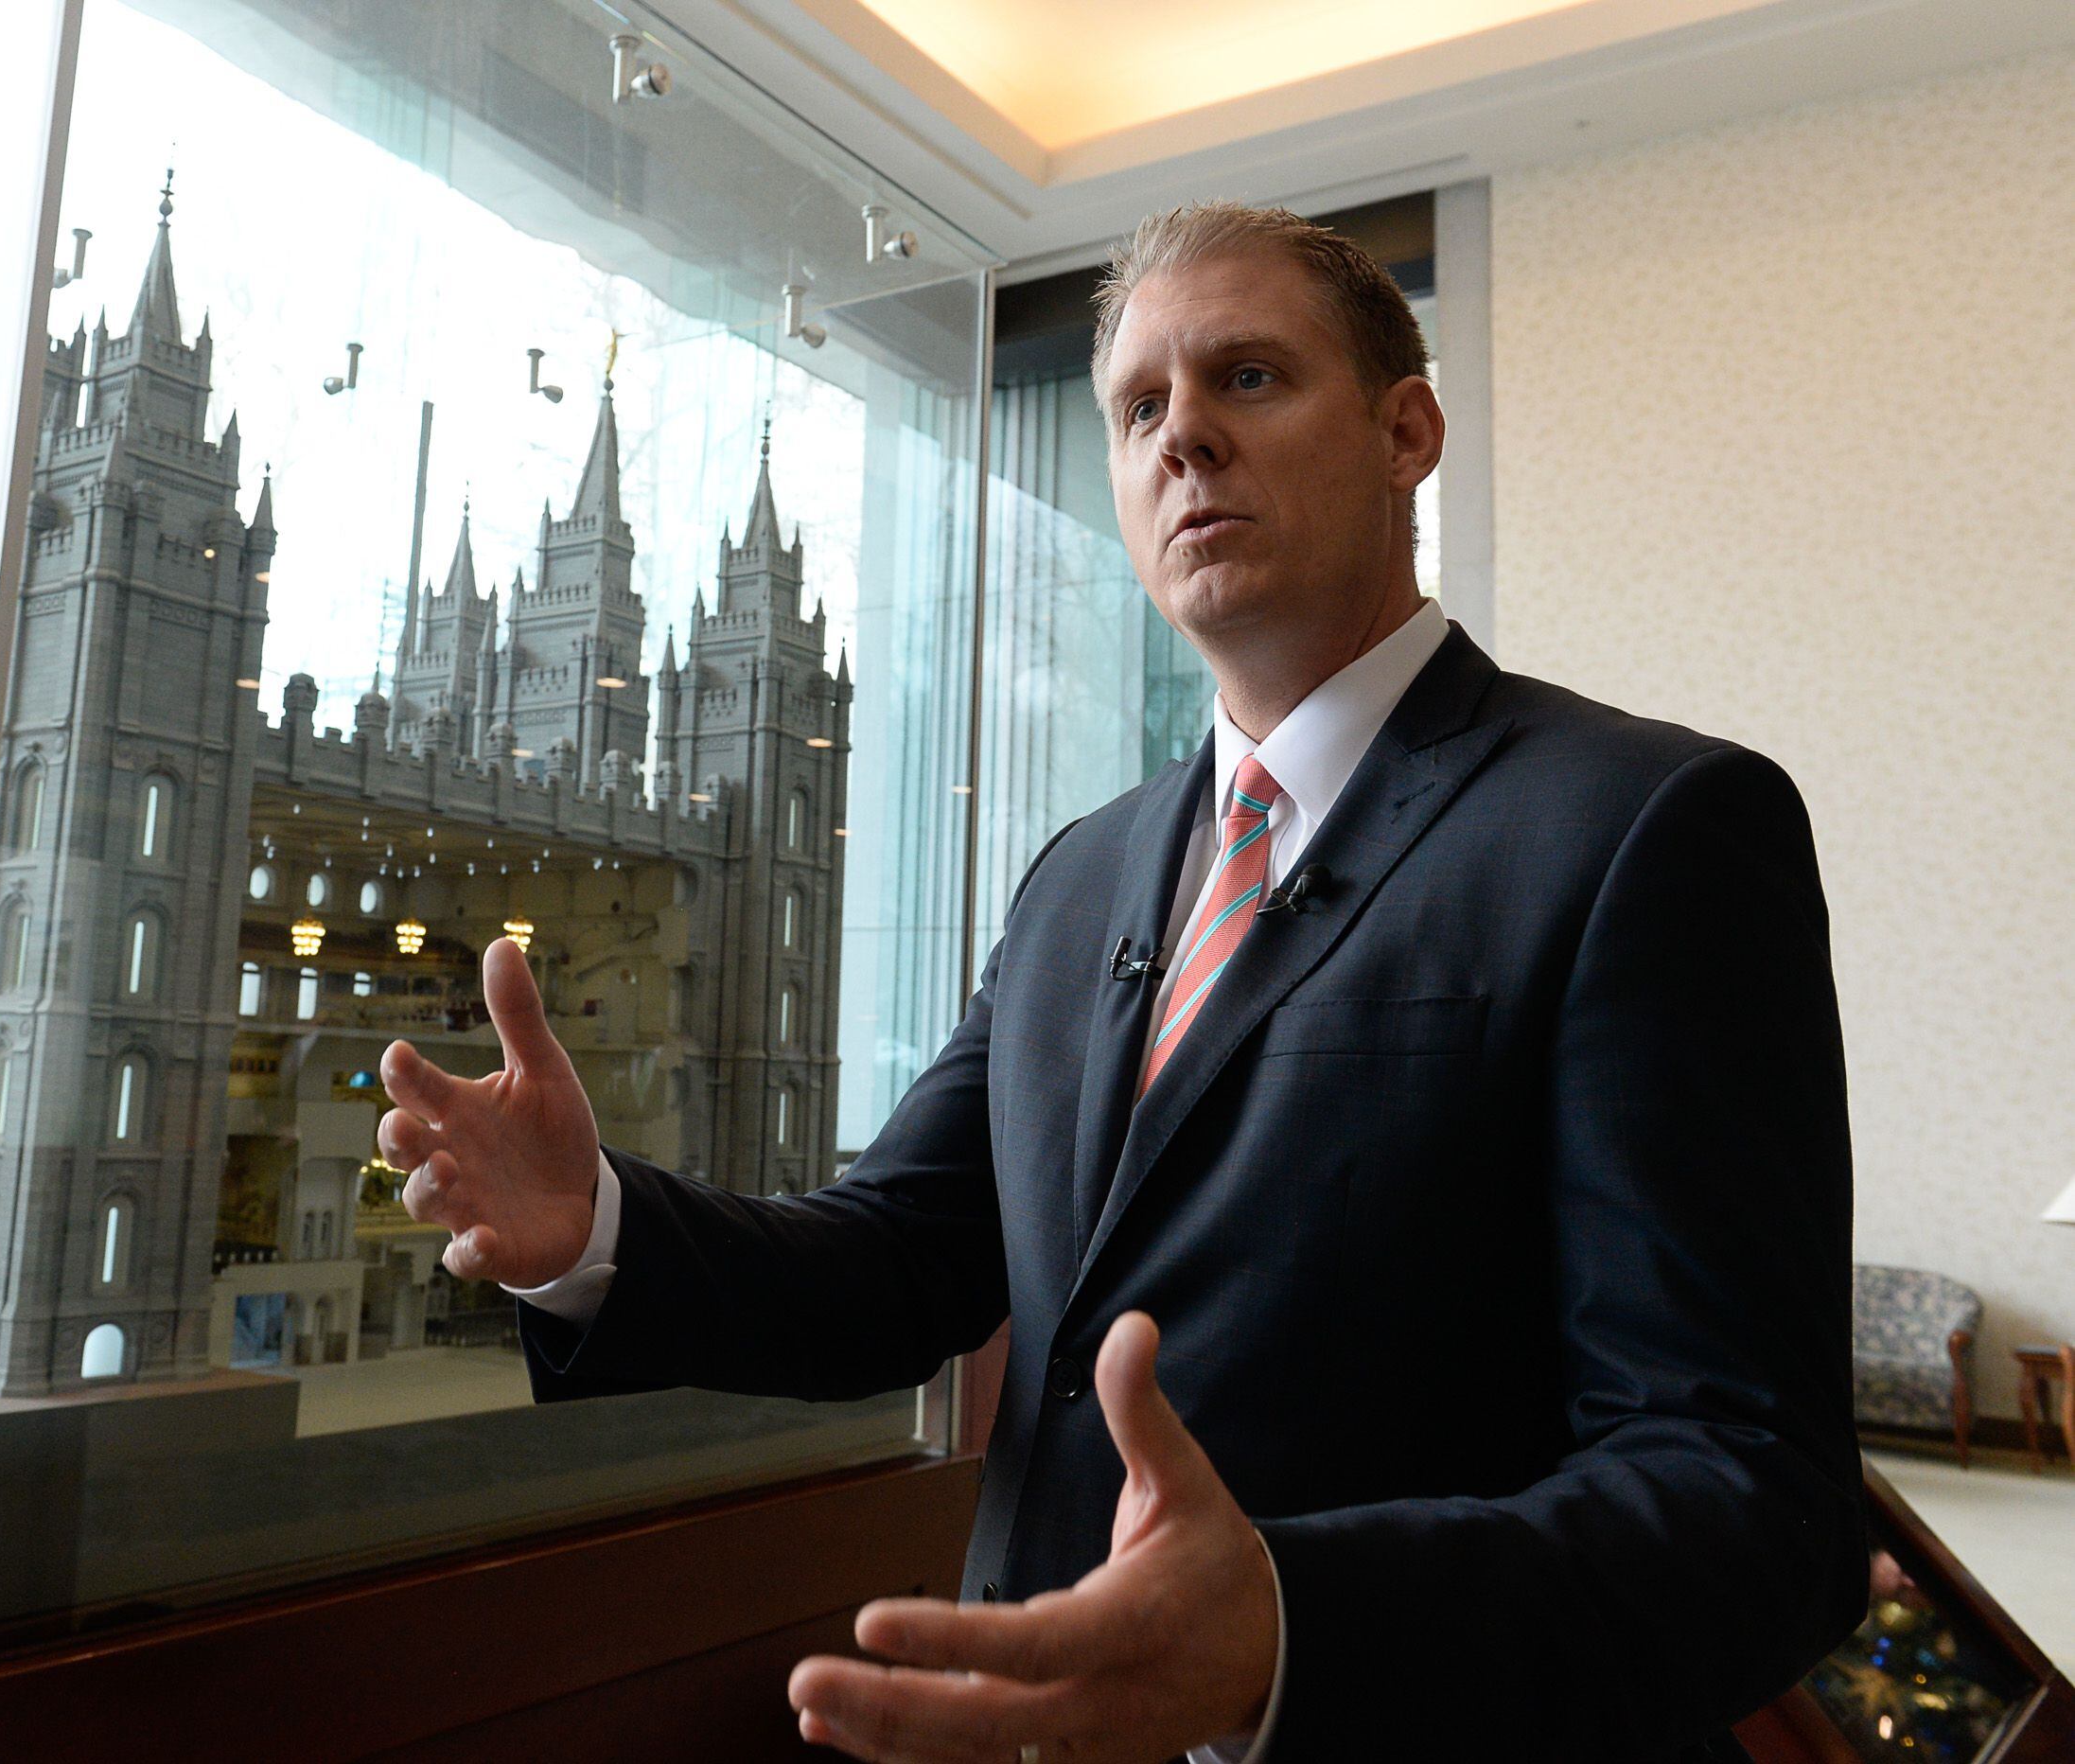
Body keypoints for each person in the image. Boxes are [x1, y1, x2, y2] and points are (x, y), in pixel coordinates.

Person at [376, 203, 1865, 1763]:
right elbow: (901, 1260)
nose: (1187, 440)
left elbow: (1747, 1495)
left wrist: (1294, 1628)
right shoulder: (1082, 872)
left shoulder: (1647, 826)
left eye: (1250, 379)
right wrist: (594, 1227)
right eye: (1141, 408)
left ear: (1407, 429)